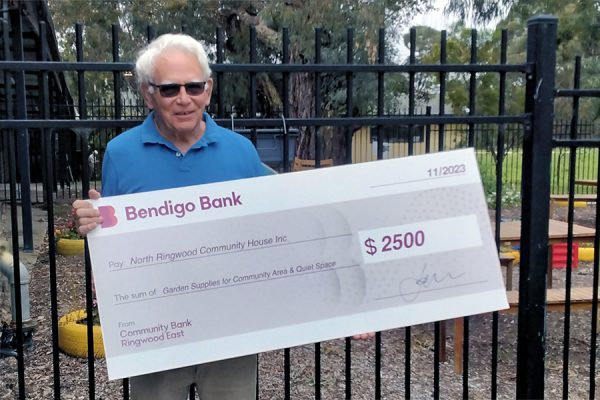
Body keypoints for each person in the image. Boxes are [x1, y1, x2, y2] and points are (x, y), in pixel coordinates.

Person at [74, 32, 374, 400]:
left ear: (209, 89)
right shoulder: (120, 154)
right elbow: (111, 238)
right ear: (147, 93)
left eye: (194, 86)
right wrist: (92, 228)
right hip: (157, 333)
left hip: (230, 333)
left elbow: (297, 219)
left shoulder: (240, 153)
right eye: (169, 89)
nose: (184, 99)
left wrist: (349, 305)